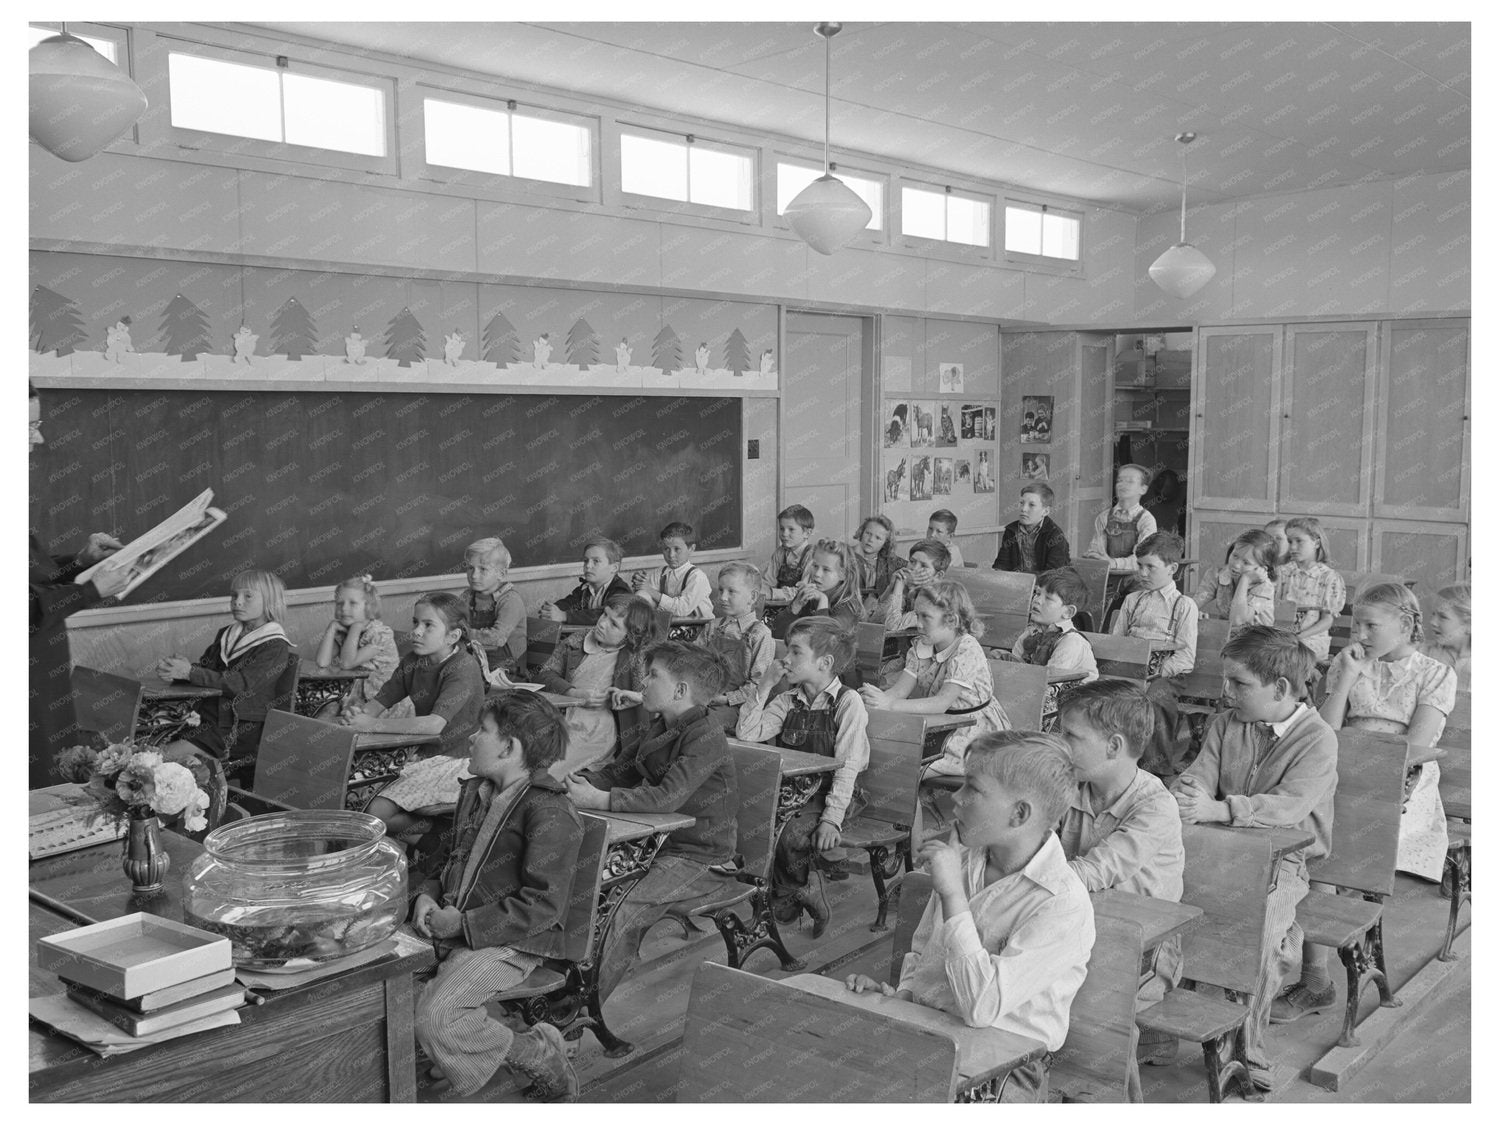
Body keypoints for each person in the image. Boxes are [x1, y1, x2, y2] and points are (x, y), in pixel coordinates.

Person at [848, 733, 1095, 1103]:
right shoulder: (963, 860)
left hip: (1007, 1068)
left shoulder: (1061, 903)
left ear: (1020, 814)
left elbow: (981, 1007)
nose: (955, 797)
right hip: (930, 1030)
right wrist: (900, 996)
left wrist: (953, 895)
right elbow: (923, 951)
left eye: (973, 788)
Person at [1172, 626, 1337, 1090]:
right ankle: (1156, 1029)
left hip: (1284, 860)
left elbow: (1289, 806)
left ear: (1280, 689)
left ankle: (1248, 1046)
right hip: (1220, 846)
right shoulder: (1228, 723)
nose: (1227, 692)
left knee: (1261, 934)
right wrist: (1192, 792)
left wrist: (1222, 808)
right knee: (1161, 902)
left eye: (1239, 684)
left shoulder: (1317, 739)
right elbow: (1201, 772)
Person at [410, 692, 583, 1101]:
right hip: (456, 925)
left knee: (437, 1017)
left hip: (512, 942)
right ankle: (452, 1050)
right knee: (378, 981)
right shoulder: (477, 791)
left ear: (509, 747)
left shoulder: (548, 812)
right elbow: (444, 858)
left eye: (482, 731)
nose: (471, 738)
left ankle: (537, 1054)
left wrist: (464, 924)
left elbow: (543, 906)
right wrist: (426, 895)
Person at [565, 642, 739, 1003]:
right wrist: (574, 785)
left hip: (700, 855)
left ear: (680, 690)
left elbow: (667, 798)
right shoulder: (660, 723)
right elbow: (621, 771)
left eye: (653, 675)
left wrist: (599, 800)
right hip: (657, 845)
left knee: (627, 906)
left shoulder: (705, 734)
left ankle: (583, 1009)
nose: (642, 681)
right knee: (579, 882)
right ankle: (569, 975)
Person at [1056, 679, 1184, 1081]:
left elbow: (1095, 871)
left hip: (1141, 952)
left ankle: (1109, 1094)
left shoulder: (1154, 805)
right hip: (1077, 929)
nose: (1059, 745)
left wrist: (1020, 879)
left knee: (1071, 1005)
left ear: (1113, 746)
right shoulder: (1072, 786)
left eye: (1070, 736)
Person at [737, 616, 869, 934]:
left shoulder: (848, 703)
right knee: (749, 821)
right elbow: (747, 732)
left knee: (790, 834)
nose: (786, 659)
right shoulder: (788, 700)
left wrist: (831, 819)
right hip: (793, 791)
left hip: (832, 794)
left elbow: (847, 768)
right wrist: (765, 685)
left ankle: (793, 891)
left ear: (824, 663)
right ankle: (780, 891)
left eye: (796, 652)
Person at [1318, 582, 1454, 881]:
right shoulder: (1349, 663)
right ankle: (1325, 887)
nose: (1360, 635)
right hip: (1344, 766)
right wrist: (1347, 678)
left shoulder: (1435, 674)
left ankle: (1350, 890)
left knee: (1364, 824)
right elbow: (1325, 733)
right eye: (1356, 625)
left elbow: (1417, 745)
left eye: (1371, 626)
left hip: (1404, 776)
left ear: (1405, 625)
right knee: (1313, 809)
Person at [28, 386, 129, 787]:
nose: (38, 438)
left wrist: (78, 563)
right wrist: (89, 591)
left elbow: (29, 576)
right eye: (29, 426)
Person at [349, 593, 486, 838]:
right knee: (355, 792)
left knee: (376, 812)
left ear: (453, 636)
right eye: (415, 622)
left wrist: (371, 725)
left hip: (458, 760)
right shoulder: (414, 660)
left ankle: (433, 835)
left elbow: (434, 725)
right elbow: (381, 700)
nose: (416, 631)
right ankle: (420, 843)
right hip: (422, 755)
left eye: (428, 625)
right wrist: (357, 716)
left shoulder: (462, 667)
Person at [860, 579, 1009, 778]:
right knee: (880, 755)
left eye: (926, 617)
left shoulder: (967, 648)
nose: (918, 623)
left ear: (952, 621)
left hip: (973, 733)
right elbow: (899, 692)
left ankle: (907, 803)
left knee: (905, 771)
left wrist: (889, 705)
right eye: (916, 615)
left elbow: (940, 703)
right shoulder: (921, 646)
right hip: (937, 724)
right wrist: (875, 702)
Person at [155, 569, 294, 775]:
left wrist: (190, 673)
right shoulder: (227, 634)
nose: (237, 602)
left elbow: (242, 685)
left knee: (157, 759)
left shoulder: (274, 645)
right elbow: (207, 670)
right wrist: (179, 670)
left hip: (238, 730)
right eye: (234, 595)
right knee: (150, 743)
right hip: (206, 720)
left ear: (270, 602)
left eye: (248, 596)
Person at [534, 593, 660, 775]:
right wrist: (573, 693)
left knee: (549, 766)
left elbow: (655, 695)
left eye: (614, 624)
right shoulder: (578, 640)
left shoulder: (637, 657)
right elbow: (544, 675)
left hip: (595, 729)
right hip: (558, 714)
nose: (602, 623)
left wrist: (635, 696)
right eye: (604, 614)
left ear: (630, 636)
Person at [1110, 532, 1197, 779]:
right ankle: (1115, 762)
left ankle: (1156, 770)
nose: (1143, 573)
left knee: (1154, 696)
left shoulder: (1184, 605)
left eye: (1151, 567)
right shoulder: (1132, 600)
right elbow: (1116, 642)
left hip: (1167, 675)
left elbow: (1186, 658)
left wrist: (1154, 674)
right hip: (1129, 667)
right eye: (1140, 566)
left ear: (1172, 568)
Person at [698, 561, 775, 733]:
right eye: (721, 590)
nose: (723, 597)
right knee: (669, 718)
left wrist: (726, 699)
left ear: (753, 597)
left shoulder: (760, 634)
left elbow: (759, 685)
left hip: (737, 708)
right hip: (705, 698)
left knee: (701, 726)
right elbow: (693, 662)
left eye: (731, 591)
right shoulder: (712, 627)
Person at [312, 574, 400, 718]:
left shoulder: (379, 634)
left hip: (382, 702)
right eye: (340, 603)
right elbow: (322, 662)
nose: (344, 609)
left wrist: (355, 628)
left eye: (352, 603)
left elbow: (347, 663)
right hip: (354, 696)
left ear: (369, 606)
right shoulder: (343, 632)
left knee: (334, 715)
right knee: (321, 713)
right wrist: (331, 628)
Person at [1007, 566, 1099, 686]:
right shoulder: (1031, 632)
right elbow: (1013, 668)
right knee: (1000, 656)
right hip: (1034, 692)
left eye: (1048, 598)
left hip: (1070, 699)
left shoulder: (1071, 642)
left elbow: (1050, 683)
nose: (1037, 600)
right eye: (1037, 593)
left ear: (1068, 612)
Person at [770, 538, 866, 639]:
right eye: (815, 566)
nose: (817, 574)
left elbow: (823, 643)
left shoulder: (847, 607)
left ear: (843, 574)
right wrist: (795, 606)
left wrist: (823, 603)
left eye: (826, 570)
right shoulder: (809, 596)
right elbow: (777, 634)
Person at [1280, 517, 1345, 662]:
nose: (1292, 547)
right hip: (1282, 637)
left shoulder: (1329, 577)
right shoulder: (1283, 573)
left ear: (1316, 542)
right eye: (1290, 541)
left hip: (1311, 639)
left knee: (1290, 656)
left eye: (1299, 541)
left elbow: (1327, 620)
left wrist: (1299, 637)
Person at [460, 537, 527, 677]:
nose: (474, 575)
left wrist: (462, 634)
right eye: (470, 568)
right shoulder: (467, 596)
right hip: (475, 664)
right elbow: (455, 624)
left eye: (483, 569)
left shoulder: (510, 600)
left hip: (507, 673)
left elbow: (497, 637)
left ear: (501, 574)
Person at [1193, 529, 1278, 635]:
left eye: (1246, 562)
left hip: (1257, 642)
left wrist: (1245, 580)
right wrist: (1193, 612)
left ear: (1262, 569)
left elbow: (1237, 620)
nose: (1236, 565)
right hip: (1227, 637)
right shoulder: (1217, 574)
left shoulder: (1265, 587)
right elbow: (1192, 605)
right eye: (1235, 556)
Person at [1084, 464, 1157, 577]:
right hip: (1108, 577)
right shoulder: (1103, 517)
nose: (1122, 485)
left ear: (1143, 489)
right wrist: (1093, 557)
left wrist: (1113, 563)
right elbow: (1096, 551)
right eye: (1120, 480)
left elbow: (1142, 559)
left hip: (1137, 581)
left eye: (1130, 481)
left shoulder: (1146, 520)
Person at [540, 537, 632, 625]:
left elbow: (603, 615)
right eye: (585, 560)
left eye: (596, 561)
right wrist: (553, 610)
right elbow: (569, 603)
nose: (588, 565)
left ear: (614, 567)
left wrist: (565, 616)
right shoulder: (585, 588)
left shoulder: (621, 592)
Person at [632, 520, 714, 619]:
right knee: (641, 595)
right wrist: (639, 584)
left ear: (691, 549)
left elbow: (681, 609)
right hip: (671, 627)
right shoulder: (659, 573)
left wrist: (648, 589)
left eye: (677, 549)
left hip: (698, 628)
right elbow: (646, 596)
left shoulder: (697, 577)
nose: (671, 555)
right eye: (666, 549)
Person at [992, 483, 1071, 574]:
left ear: (1045, 511)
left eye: (1032, 505)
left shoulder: (1055, 535)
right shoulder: (1011, 531)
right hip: (1017, 584)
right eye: (1022, 503)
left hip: (1046, 586)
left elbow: (1053, 574)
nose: (1023, 509)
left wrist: (1023, 580)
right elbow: (1002, 564)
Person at [875, 538, 950, 632]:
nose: (914, 568)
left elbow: (892, 626)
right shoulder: (911, 589)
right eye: (912, 561)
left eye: (923, 566)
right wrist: (890, 588)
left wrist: (899, 584)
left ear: (938, 575)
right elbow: (874, 621)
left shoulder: (934, 600)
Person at [1419, 583, 1470, 692]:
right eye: (1433, 614)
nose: (1432, 622)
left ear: (1469, 626)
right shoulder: (1423, 653)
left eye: (1443, 617)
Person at [767, 504, 816, 602]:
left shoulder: (812, 556)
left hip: (802, 607)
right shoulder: (780, 552)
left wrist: (772, 593)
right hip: (779, 606)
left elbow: (804, 592)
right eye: (781, 528)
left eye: (791, 529)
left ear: (807, 533)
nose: (784, 534)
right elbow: (768, 581)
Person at [850, 514, 899, 607]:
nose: (871, 540)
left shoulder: (890, 561)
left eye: (878, 538)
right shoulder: (845, 555)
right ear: (861, 532)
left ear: (886, 542)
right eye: (868, 533)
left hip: (877, 612)